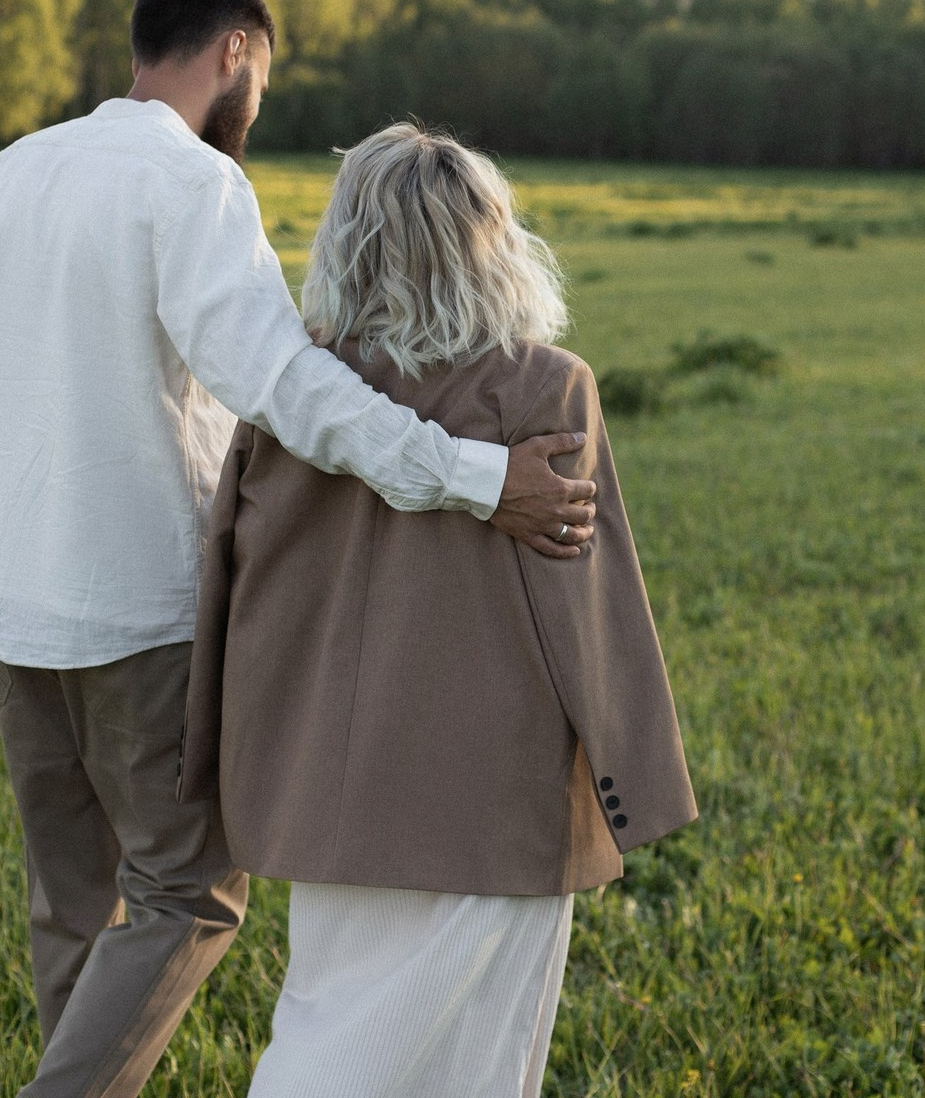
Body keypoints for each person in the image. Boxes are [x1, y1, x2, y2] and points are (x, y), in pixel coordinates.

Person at [0, 0, 596, 1098]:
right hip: (138, 614)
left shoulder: (2, 177)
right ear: (233, 52)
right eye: (261, 77)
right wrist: (479, 475)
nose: (257, 104)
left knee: (74, 897)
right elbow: (286, 386)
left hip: (15, 605)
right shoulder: (192, 186)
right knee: (188, 896)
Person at [179, 122, 698, 1097]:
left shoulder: (297, 395)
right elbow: (591, 605)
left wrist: (219, 755)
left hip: (320, 779)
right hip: (491, 800)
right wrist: (640, 787)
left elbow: (228, 578)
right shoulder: (544, 387)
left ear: (347, 244)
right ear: (492, 243)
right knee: (460, 1067)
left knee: (328, 1016)